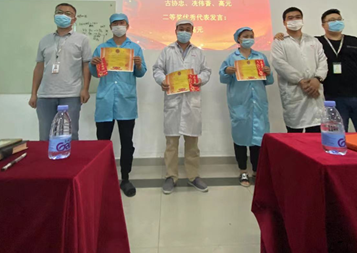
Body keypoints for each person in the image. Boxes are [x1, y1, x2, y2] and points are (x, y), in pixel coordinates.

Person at [90, 13, 147, 198]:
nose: (118, 26)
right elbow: (96, 73)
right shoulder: (101, 48)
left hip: (126, 102)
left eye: (122, 23)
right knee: (102, 142)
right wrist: (93, 64)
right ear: (110, 27)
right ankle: (102, 177)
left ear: (127, 26)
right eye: (115, 23)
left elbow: (141, 73)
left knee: (126, 142)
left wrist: (138, 65)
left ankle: (125, 178)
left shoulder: (135, 48)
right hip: (106, 101)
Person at [153, 19, 212, 194]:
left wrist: (200, 79)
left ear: (192, 32)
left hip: (191, 102)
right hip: (173, 101)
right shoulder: (167, 51)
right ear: (175, 31)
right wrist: (162, 80)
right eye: (181, 29)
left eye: (187, 29)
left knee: (192, 144)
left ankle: (193, 176)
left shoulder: (198, 52)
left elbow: (206, 71)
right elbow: (157, 69)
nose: (184, 32)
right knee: (171, 144)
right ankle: (171, 176)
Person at [29, 3, 92, 141]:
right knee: (45, 136)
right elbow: (39, 67)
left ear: (74, 19)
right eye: (59, 12)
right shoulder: (45, 40)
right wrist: (34, 93)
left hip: (71, 94)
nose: (63, 15)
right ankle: (47, 157)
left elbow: (86, 66)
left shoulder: (82, 40)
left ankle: (70, 157)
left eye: (68, 14)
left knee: (70, 135)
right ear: (54, 16)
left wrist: (85, 89)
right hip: (45, 95)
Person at [219, 27, 273, 187]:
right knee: (240, 138)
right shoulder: (231, 58)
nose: (248, 39)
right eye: (245, 36)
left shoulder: (260, 57)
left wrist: (268, 72)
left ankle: (257, 170)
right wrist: (227, 71)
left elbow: (269, 81)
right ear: (238, 39)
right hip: (240, 104)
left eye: (251, 36)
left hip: (258, 103)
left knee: (258, 139)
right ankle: (243, 170)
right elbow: (223, 79)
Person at [318, 9, 357, 132]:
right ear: (323, 25)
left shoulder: (355, 41)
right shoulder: (317, 42)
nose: (336, 22)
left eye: (339, 19)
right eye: (332, 20)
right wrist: (280, 36)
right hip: (331, 98)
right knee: (336, 136)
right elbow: (298, 41)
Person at [270, 7, 328, 133]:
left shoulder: (313, 41)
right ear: (284, 22)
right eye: (290, 18)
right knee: (295, 134)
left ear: (302, 19)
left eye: (298, 17)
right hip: (294, 92)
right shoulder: (279, 42)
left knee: (316, 133)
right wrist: (300, 80)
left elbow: (323, 61)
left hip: (315, 90)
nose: (294, 20)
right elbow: (279, 64)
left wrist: (317, 79)